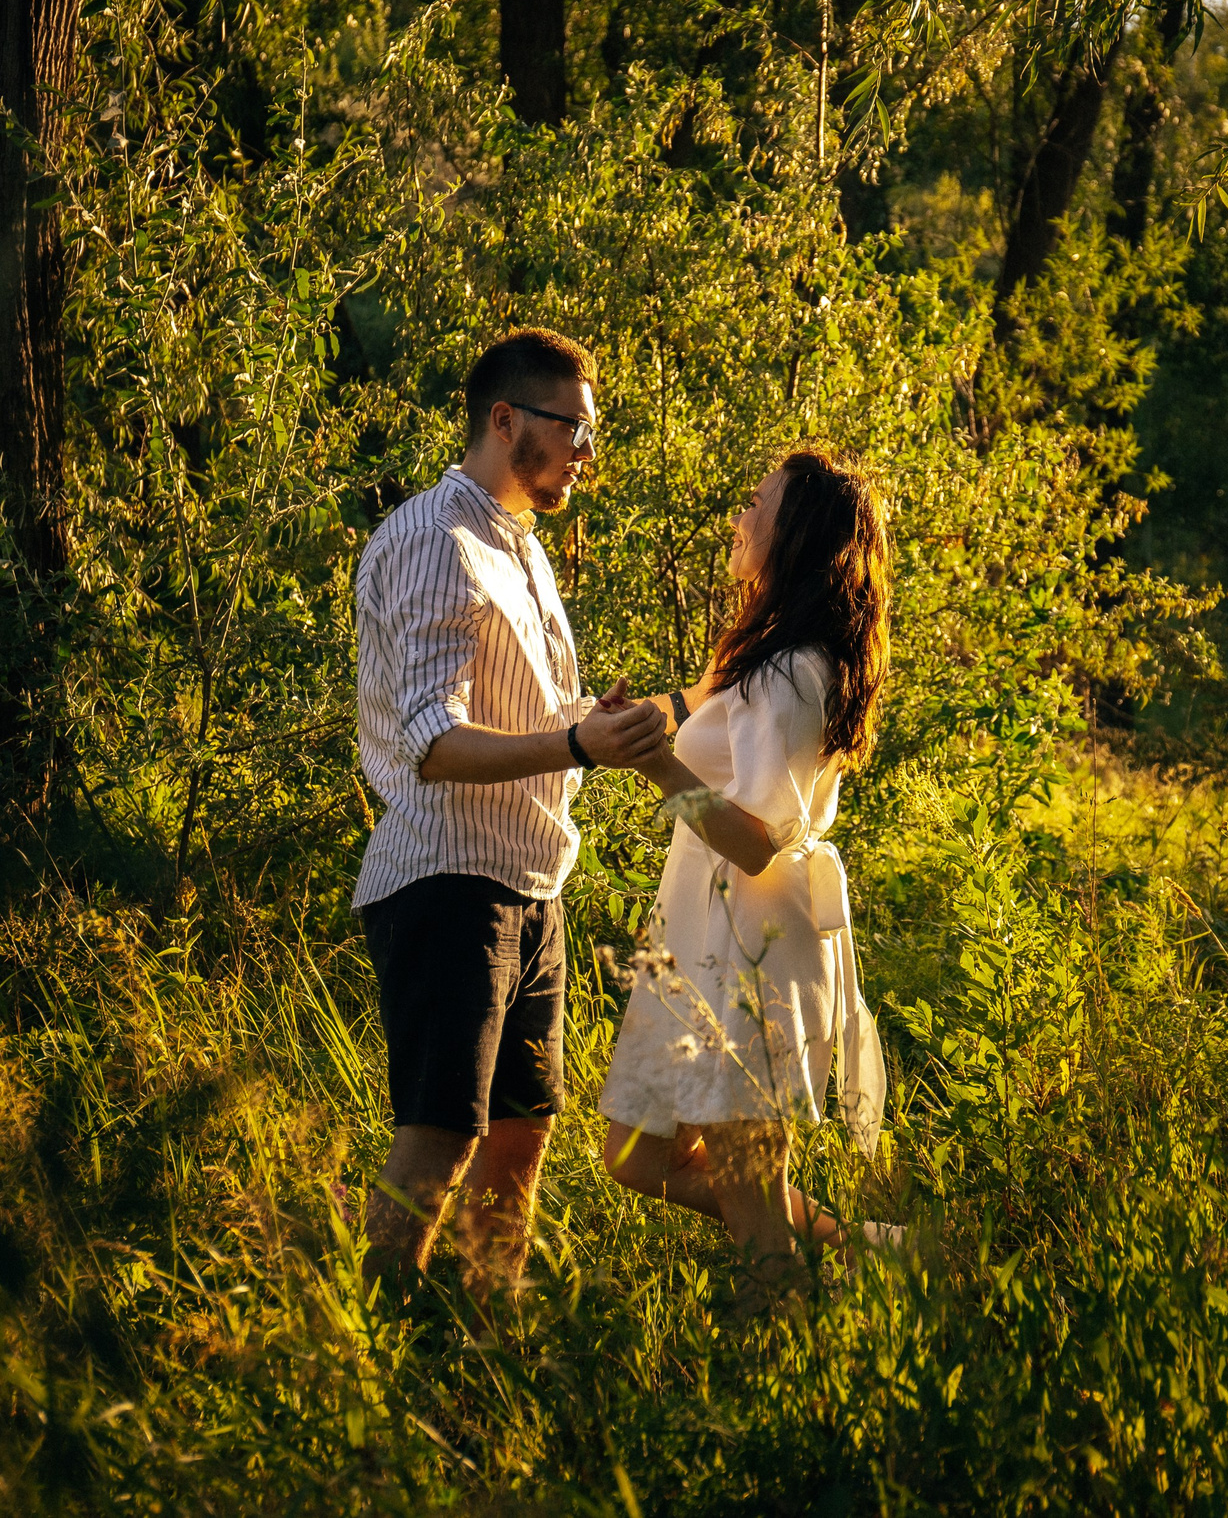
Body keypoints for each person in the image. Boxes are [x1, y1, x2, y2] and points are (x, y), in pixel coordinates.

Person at [351, 326, 667, 1294]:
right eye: (572, 427)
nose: (585, 451)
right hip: (448, 878)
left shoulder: (516, 545)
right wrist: (574, 744)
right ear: (503, 419)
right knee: (441, 1135)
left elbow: (510, 718)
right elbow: (432, 744)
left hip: (531, 881)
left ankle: (495, 1342)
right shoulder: (432, 539)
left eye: (589, 433)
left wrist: (585, 721)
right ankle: (372, 1335)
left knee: (522, 1138)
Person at [596, 448, 896, 1301]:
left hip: (751, 947)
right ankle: (873, 1250)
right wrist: (624, 726)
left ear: (795, 532)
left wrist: (657, 768)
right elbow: (698, 725)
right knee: (633, 1151)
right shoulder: (765, 653)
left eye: (755, 504)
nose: (740, 517)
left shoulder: (795, 669)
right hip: (704, 938)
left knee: (752, 1196)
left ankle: (792, 1351)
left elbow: (757, 838)